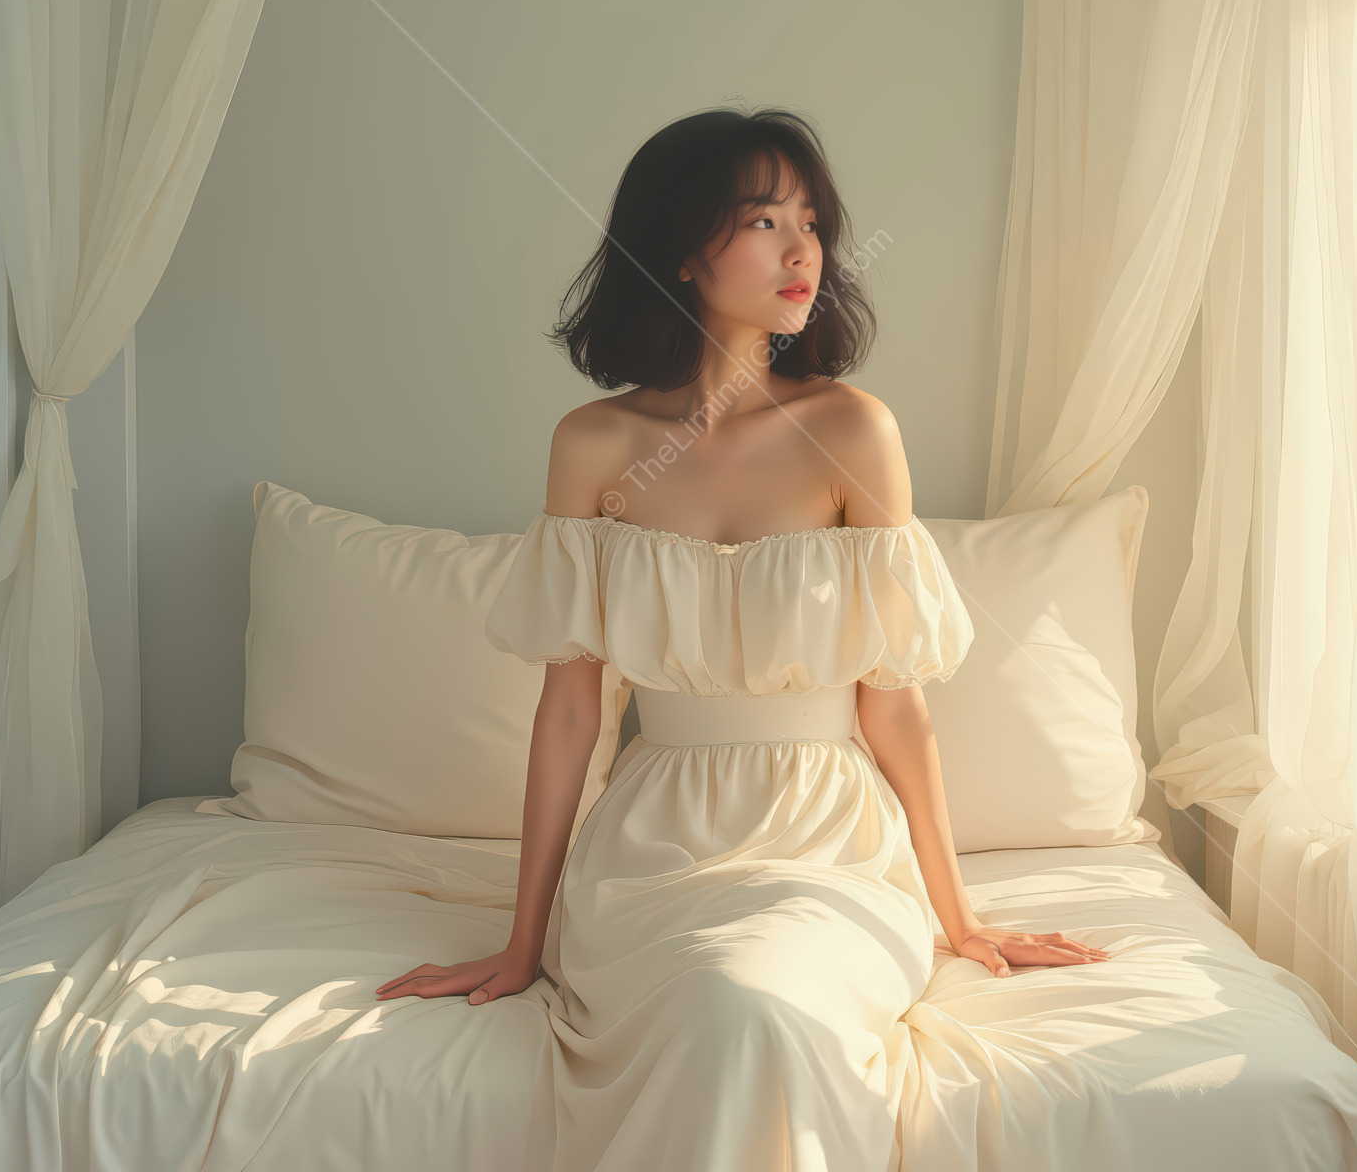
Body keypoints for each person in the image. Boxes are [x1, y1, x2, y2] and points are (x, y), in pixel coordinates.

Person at [374, 105, 1109, 1168]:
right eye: (765, 218)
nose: (802, 246)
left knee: (752, 1006)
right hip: (651, 848)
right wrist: (524, 938)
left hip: (829, 844)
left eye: (810, 219)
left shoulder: (855, 429)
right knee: (713, 1004)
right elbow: (572, 709)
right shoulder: (593, 446)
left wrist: (960, 919)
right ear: (682, 245)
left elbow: (893, 702)